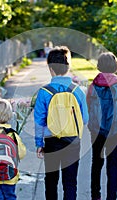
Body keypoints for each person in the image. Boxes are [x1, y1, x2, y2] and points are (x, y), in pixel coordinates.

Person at [34, 46, 89, 200]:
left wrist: (39, 143)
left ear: (50, 68)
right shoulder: (77, 91)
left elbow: (39, 121)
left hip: (51, 142)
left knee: (51, 181)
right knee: (70, 182)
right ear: (68, 67)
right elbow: (85, 119)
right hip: (72, 141)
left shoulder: (44, 92)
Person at [87, 52, 117, 200]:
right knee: (112, 166)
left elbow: (89, 107)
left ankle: (95, 196)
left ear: (99, 66)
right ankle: (111, 197)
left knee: (96, 163)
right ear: (115, 66)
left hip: (96, 131)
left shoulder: (93, 86)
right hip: (114, 131)